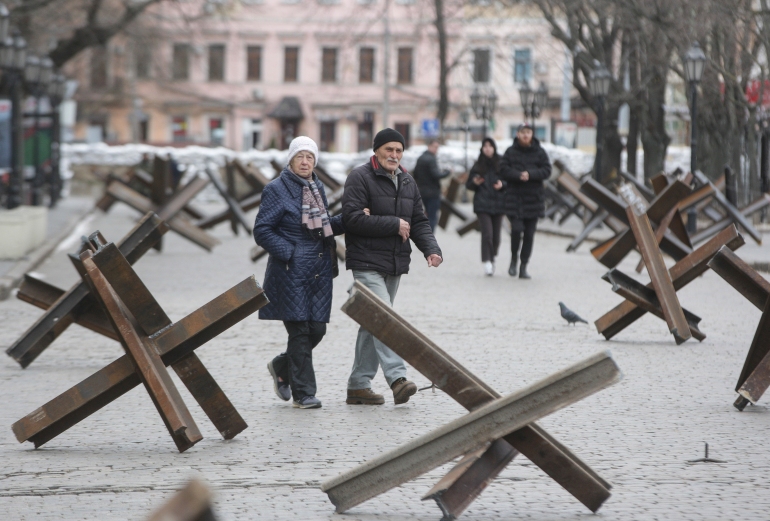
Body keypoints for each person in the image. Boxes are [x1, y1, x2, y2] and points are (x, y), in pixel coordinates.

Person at [342, 128, 443, 405]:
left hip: (395, 262)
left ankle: (359, 385)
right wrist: (393, 223)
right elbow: (351, 219)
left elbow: (419, 221)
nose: (394, 155)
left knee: (373, 322)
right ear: (376, 151)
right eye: (389, 149)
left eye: (398, 150)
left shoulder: (408, 181)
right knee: (385, 319)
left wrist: (431, 249)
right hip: (365, 262)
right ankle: (398, 379)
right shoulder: (359, 177)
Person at [254, 136, 345, 409]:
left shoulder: (317, 188)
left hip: (318, 271)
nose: (305, 162)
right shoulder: (276, 189)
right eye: (300, 157)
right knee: (301, 333)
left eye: (310, 157)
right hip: (290, 272)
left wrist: (351, 218)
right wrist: (289, 252)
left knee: (317, 329)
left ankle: (281, 365)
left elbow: (322, 227)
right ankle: (303, 394)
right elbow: (262, 230)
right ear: (291, 160)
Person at [499, 123, 552, 279]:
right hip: (514, 198)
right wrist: (518, 175)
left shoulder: (540, 152)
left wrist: (531, 174)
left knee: (529, 234)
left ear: (532, 134)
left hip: (534, 199)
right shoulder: (510, 152)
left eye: (528, 132)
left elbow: (547, 170)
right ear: (518, 134)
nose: (526, 135)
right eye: (523, 132)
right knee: (516, 230)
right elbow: (503, 169)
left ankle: (523, 266)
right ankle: (514, 258)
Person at [466, 137, 505, 276]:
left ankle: (492, 256)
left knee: (496, 237)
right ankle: (487, 261)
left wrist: (502, 184)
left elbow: (508, 181)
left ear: (494, 148)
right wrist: (475, 182)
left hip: (499, 203)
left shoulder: (501, 163)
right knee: (487, 234)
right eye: (485, 146)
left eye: (490, 146)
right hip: (482, 204)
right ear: (482, 148)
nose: (487, 148)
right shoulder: (478, 164)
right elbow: (468, 184)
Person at [412, 139, 450, 231]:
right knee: (432, 216)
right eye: (435, 147)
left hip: (421, 191)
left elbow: (415, 174)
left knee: (424, 214)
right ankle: (430, 237)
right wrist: (447, 172)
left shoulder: (420, 158)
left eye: (438, 147)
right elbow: (436, 175)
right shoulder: (431, 159)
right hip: (432, 193)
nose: (437, 149)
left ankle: (424, 235)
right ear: (429, 146)